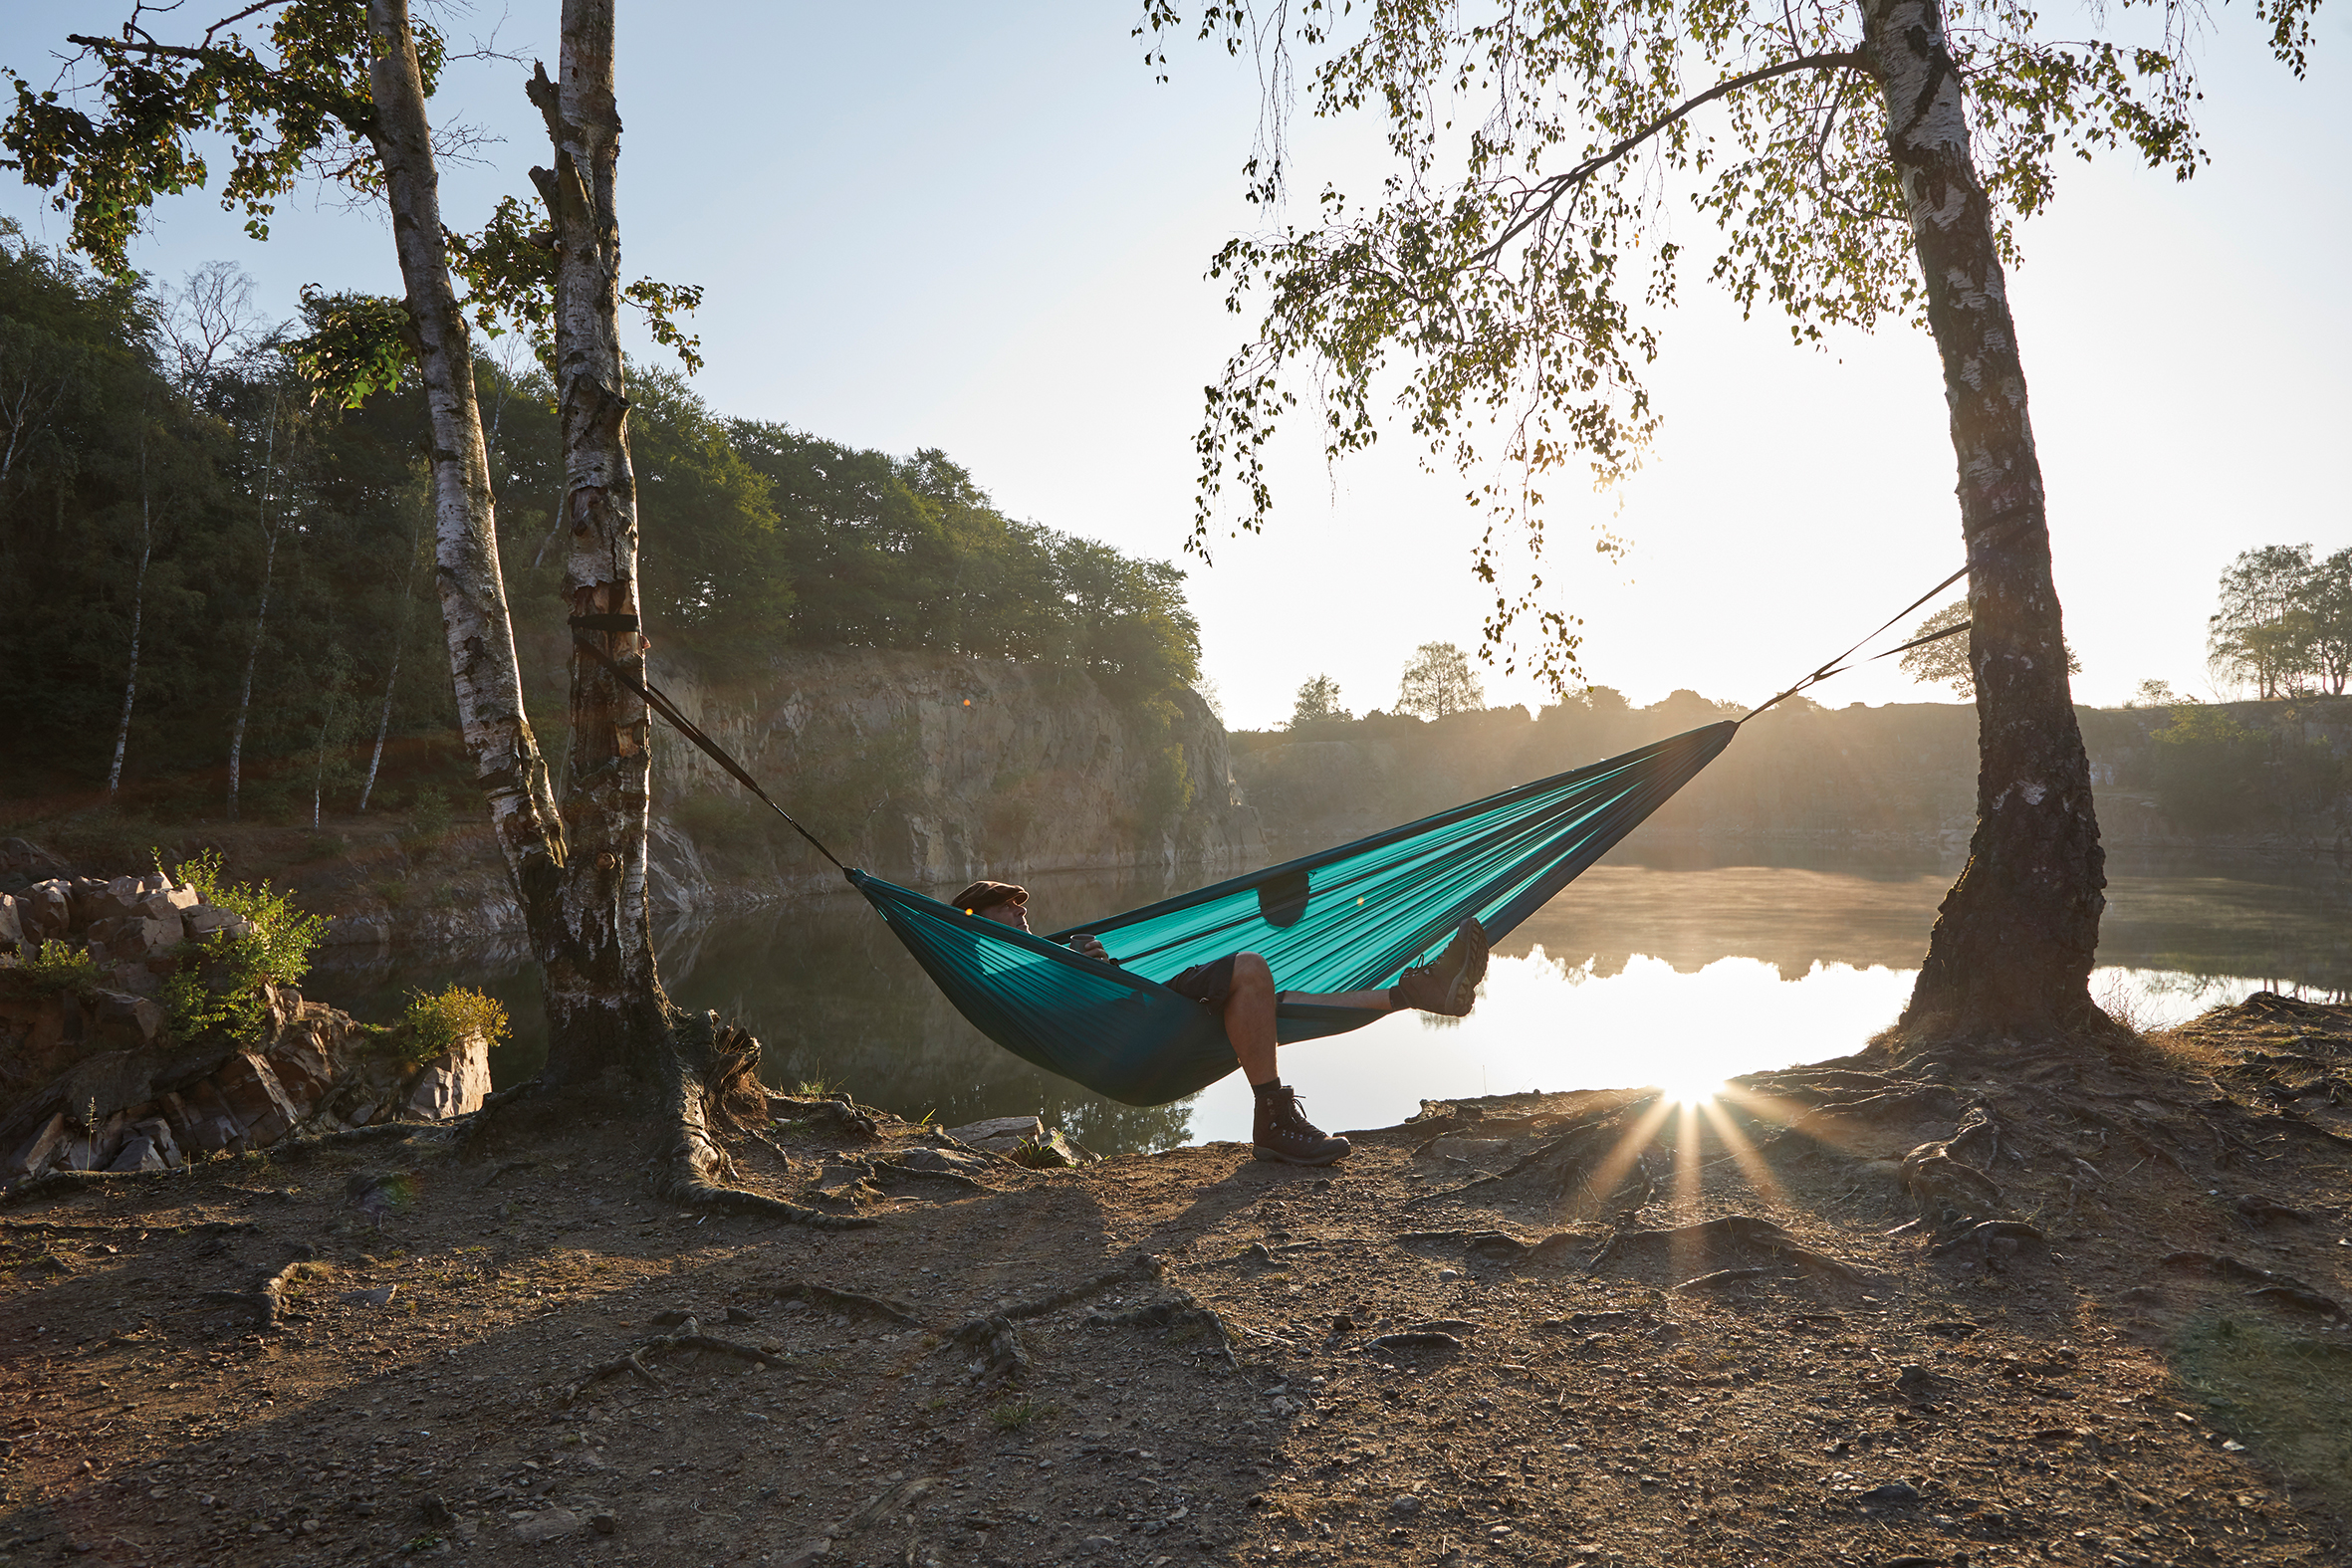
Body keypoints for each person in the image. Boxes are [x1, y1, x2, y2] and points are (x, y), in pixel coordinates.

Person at [946, 879, 1489, 1166]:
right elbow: (1073, 1014)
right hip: (1140, 1036)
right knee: (1251, 970)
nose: (1020, 914)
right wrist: (1086, 973)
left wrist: (1100, 966)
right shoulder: (1016, 975)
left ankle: (1415, 993)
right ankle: (1273, 1120)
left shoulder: (1053, 954)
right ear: (974, 928)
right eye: (1004, 909)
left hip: (1158, 1016)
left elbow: (1102, 996)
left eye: (1019, 907)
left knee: (1272, 998)